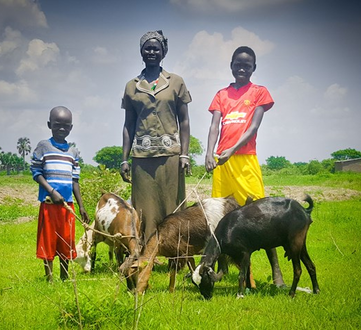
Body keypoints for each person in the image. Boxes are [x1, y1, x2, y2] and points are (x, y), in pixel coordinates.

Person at [205, 46, 285, 286]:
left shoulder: (259, 92)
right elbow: (214, 127)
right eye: (237, 64)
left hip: (245, 158)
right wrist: (210, 153)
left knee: (261, 215)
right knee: (222, 216)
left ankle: (277, 271)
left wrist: (233, 149)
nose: (241, 68)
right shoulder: (221, 94)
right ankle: (222, 270)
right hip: (222, 163)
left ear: (253, 68)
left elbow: (253, 127)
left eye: (247, 65)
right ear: (231, 65)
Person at [120, 30, 191, 245]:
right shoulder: (132, 86)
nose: (152, 51)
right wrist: (124, 159)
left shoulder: (176, 82)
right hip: (142, 157)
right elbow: (128, 124)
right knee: (144, 207)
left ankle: (176, 251)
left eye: (156, 48)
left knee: (173, 205)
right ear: (141, 52)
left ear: (164, 52)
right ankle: (148, 251)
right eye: (147, 48)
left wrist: (185, 154)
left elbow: (184, 121)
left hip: (170, 155)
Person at [30, 106, 89, 282]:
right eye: (57, 125)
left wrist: (81, 206)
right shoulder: (43, 147)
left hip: (67, 207)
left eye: (66, 125)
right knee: (48, 241)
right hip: (49, 204)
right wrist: (52, 191)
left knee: (66, 241)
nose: (61, 129)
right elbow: (36, 173)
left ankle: (64, 277)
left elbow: (75, 181)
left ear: (71, 127)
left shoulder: (73, 152)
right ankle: (49, 278)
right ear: (50, 125)